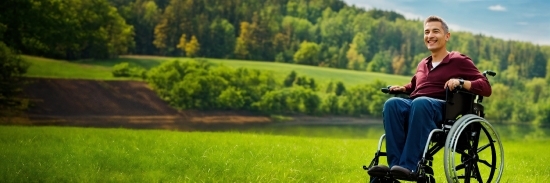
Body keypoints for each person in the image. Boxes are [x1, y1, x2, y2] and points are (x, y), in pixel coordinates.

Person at [367, 15, 492, 180]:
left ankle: (409, 166)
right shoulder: (423, 64)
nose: (430, 36)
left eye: (435, 31)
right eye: (426, 32)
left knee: (421, 103)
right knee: (392, 104)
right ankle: (395, 168)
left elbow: (485, 86)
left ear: (447, 36)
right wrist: (404, 88)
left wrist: (461, 82)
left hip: (442, 108)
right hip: (417, 104)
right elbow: (415, 85)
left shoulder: (459, 60)